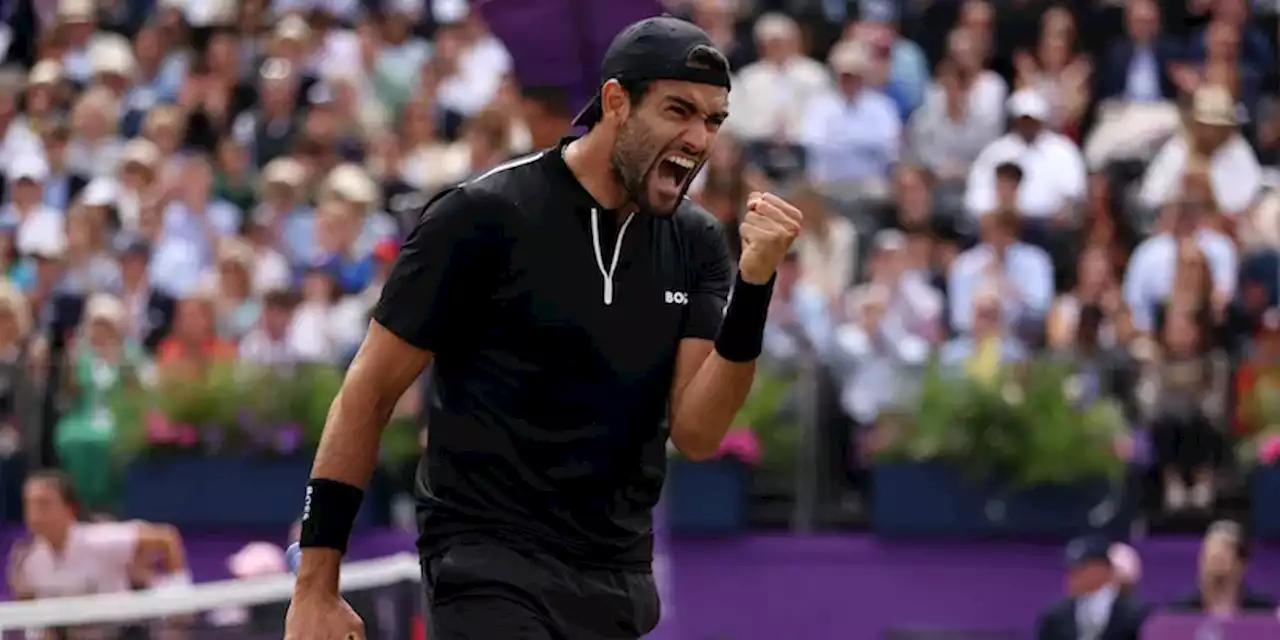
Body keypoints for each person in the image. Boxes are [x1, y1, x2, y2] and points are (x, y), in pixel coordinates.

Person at [285, 16, 804, 640]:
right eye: (678, 110)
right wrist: (315, 585)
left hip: (615, 580)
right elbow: (367, 394)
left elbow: (696, 432)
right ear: (616, 102)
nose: (698, 137)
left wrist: (753, 291)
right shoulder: (481, 217)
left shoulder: (695, 243)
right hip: (487, 566)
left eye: (713, 120)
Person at [8, 470, 189, 601]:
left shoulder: (100, 539)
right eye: (29, 505)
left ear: (69, 509)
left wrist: (178, 593)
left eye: (44, 505)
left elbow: (166, 537)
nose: (35, 514)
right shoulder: (26, 559)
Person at [1035, 536, 1149, 640]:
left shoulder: (1136, 615)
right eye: (1070, 570)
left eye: (1081, 569)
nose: (1072, 577)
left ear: (1103, 570)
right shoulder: (1055, 616)